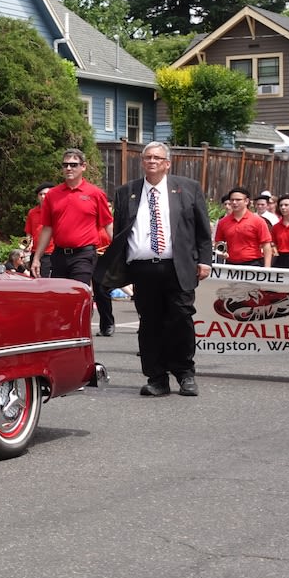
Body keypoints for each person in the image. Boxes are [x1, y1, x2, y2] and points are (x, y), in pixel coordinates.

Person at [96, 141, 213, 397]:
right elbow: (120, 233)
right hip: (143, 268)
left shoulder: (188, 189)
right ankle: (156, 378)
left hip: (178, 266)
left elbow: (203, 231)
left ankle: (185, 374)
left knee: (180, 319)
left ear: (167, 163)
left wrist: (204, 260)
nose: (152, 161)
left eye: (157, 158)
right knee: (149, 324)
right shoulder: (127, 192)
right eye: (147, 157)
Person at [30, 149, 114, 335]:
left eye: (73, 164)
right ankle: (65, 335)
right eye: (65, 164)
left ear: (83, 167)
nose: (69, 168)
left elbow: (108, 224)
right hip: (59, 254)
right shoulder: (53, 194)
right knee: (61, 296)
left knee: (78, 293)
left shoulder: (95, 193)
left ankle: (80, 333)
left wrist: (119, 252)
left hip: (84, 254)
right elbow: (47, 228)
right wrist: (37, 257)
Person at [214, 187, 273, 266]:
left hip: (253, 263)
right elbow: (218, 242)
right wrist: (221, 253)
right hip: (231, 263)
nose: (234, 202)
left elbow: (266, 245)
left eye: (238, 200)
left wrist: (267, 268)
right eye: (232, 200)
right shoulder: (223, 222)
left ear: (246, 201)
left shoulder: (258, 221)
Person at [24, 182, 56, 277]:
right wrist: (23, 247)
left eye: (45, 194)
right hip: (36, 253)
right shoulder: (32, 212)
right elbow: (28, 234)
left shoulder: (57, 211)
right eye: (40, 194)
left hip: (52, 253)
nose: (43, 196)